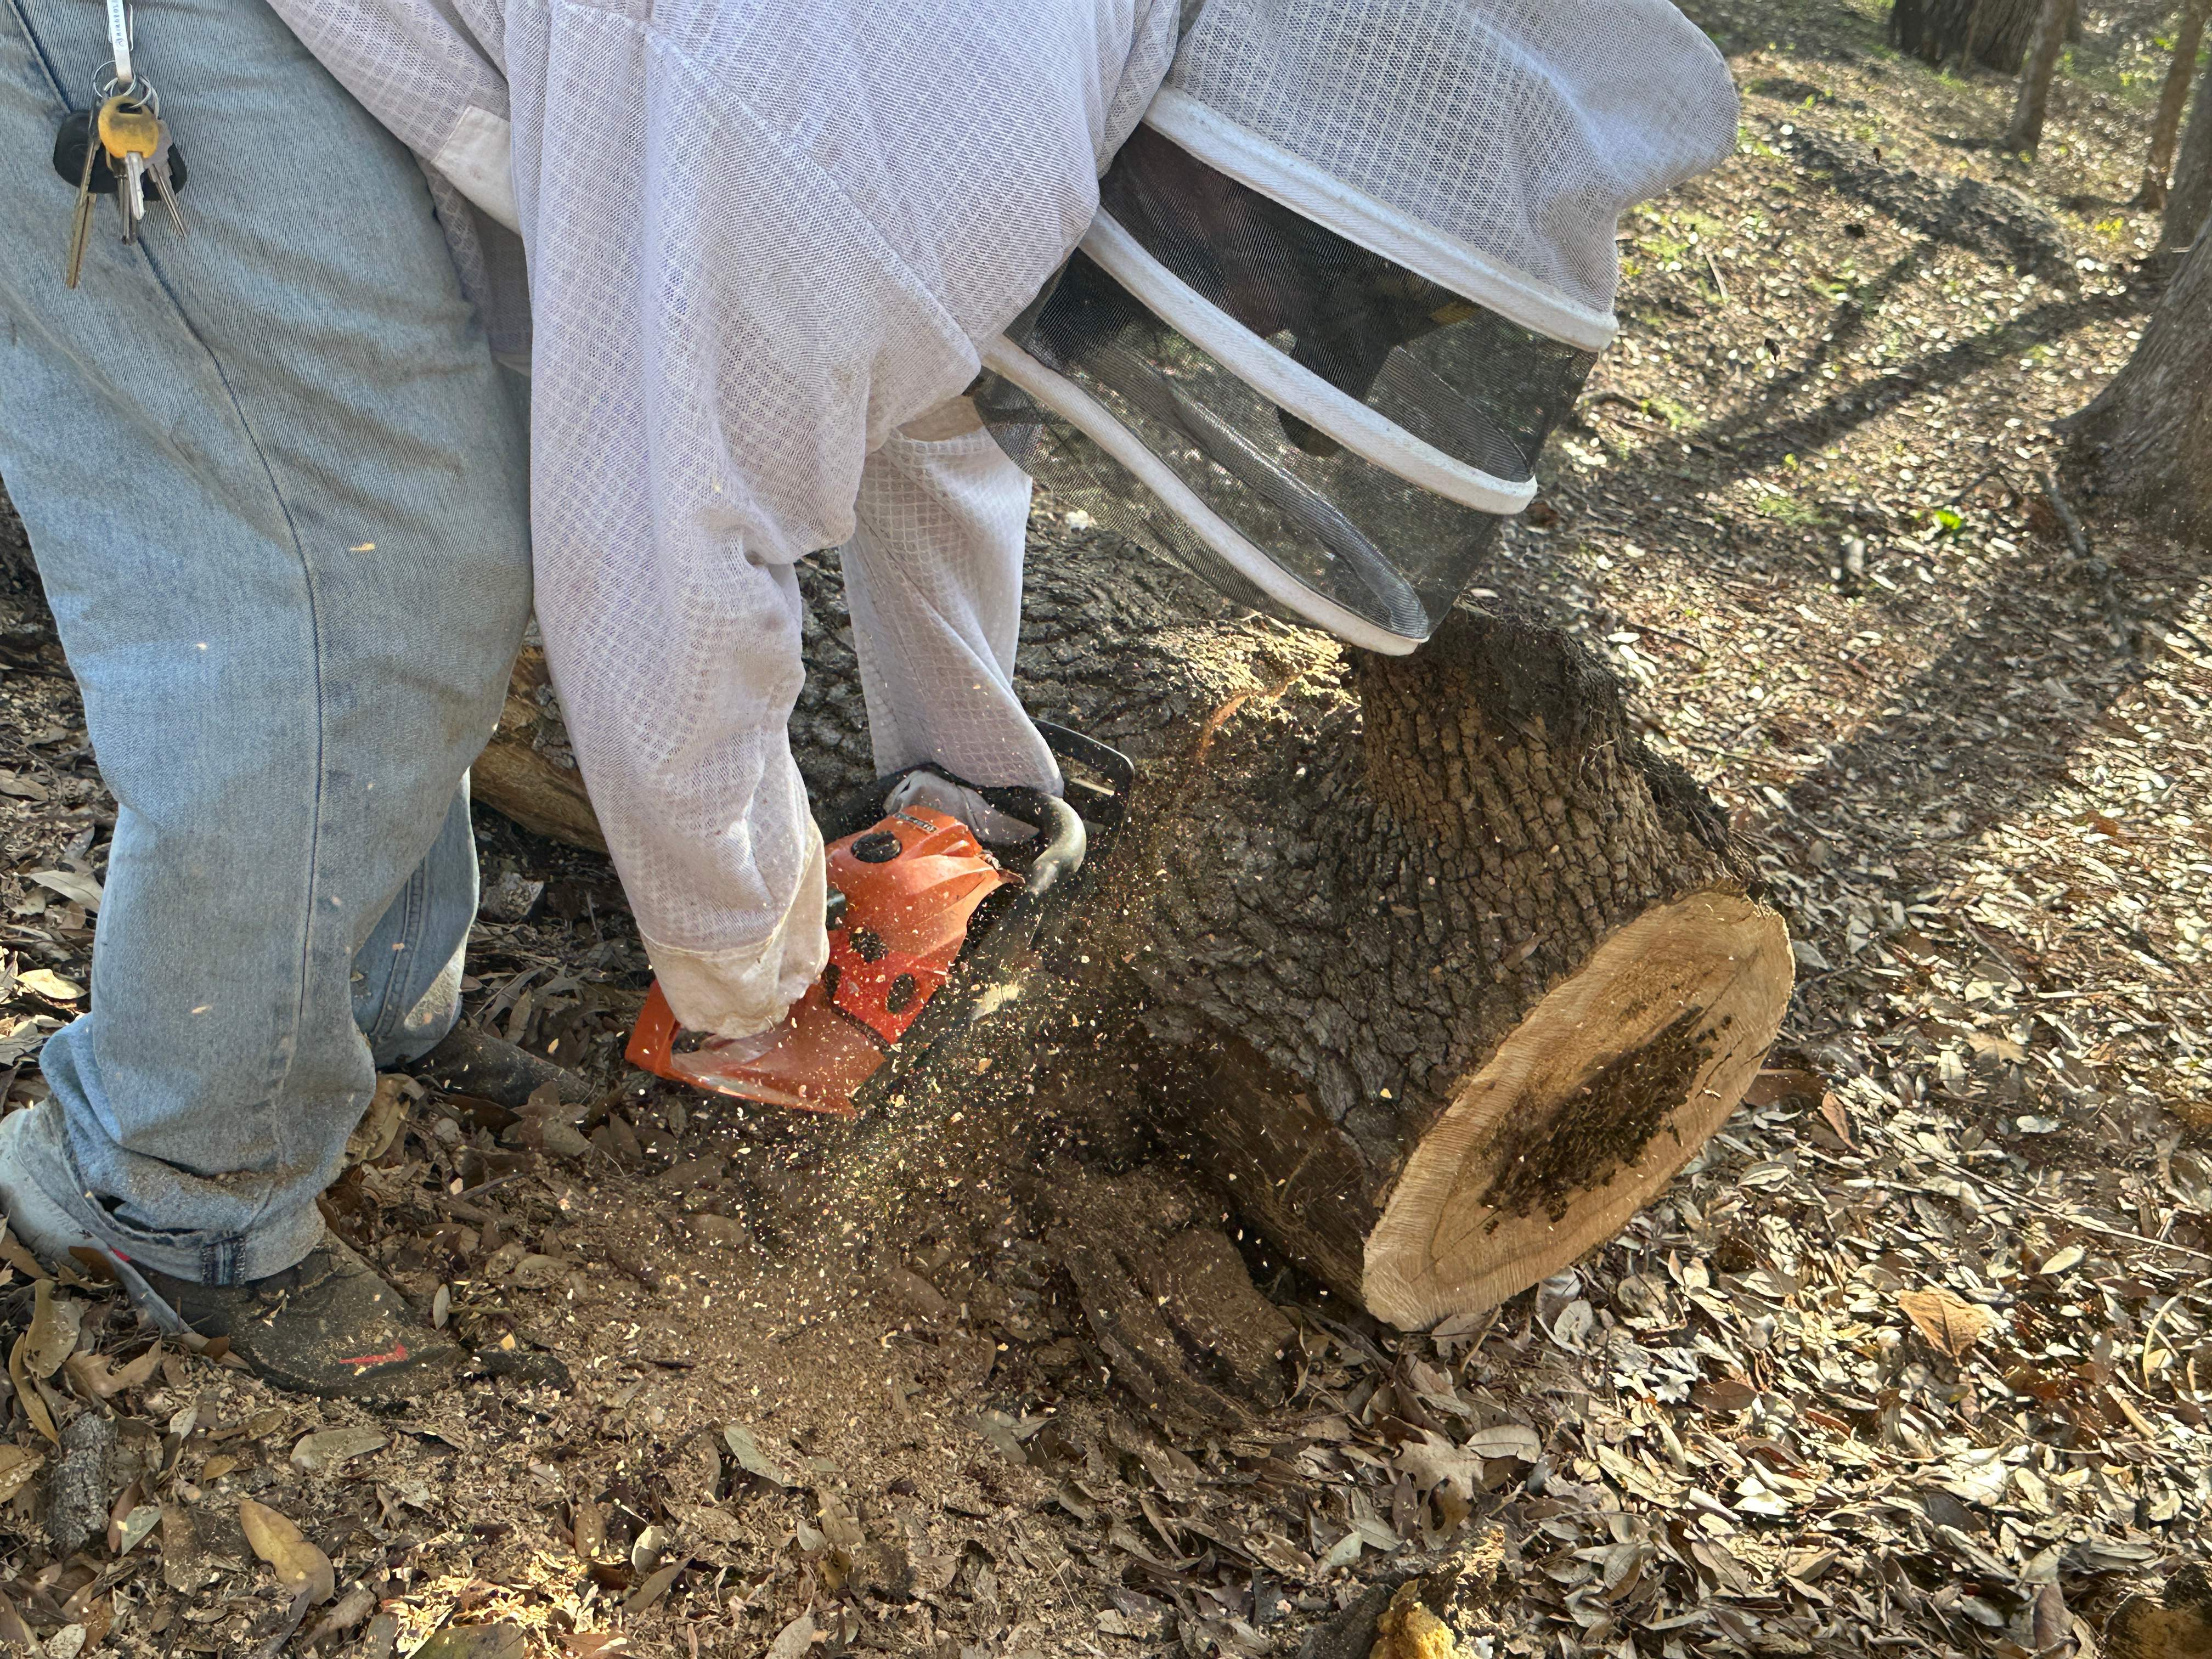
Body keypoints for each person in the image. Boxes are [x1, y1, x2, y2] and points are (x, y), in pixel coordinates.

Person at [0, 0, 1180, 1398]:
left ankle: (358, 1010)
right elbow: (653, 574)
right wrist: (753, 975)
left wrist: (971, 777)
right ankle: (166, 1177)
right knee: (364, 566)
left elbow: (933, 408)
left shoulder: (1040, 95)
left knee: (450, 496)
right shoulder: (915, 142)